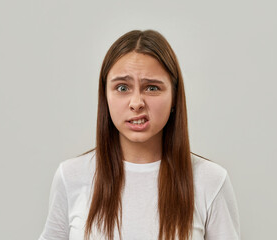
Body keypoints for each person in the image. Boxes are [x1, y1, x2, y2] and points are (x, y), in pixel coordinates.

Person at [38, 30, 240, 240]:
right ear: (105, 95)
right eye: (122, 87)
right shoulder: (71, 176)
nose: (136, 103)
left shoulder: (211, 181)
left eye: (152, 88)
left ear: (174, 97)